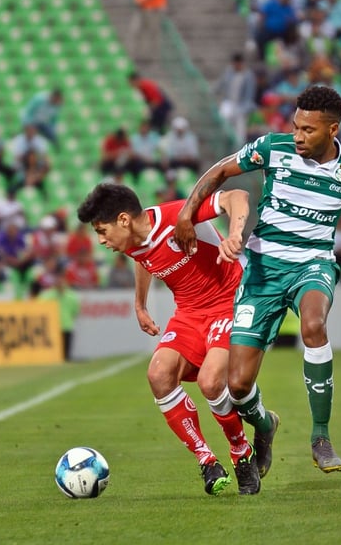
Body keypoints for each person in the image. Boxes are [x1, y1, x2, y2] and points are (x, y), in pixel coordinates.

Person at [173, 86, 341, 492]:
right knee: (237, 386)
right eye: (295, 127)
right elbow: (219, 172)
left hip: (313, 263)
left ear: (332, 130)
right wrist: (185, 214)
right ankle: (265, 426)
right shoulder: (273, 148)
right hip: (263, 268)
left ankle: (321, 436)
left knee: (314, 325)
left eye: (308, 129)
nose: (298, 135)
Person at [77, 182, 257, 495]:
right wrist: (140, 303)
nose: (102, 240)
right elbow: (142, 256)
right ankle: (206, 460)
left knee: (211, 382)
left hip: (228, 301)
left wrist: (234, 234)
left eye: (102, 231)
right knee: (158, 374)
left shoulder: (178, 217)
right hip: (188, 313)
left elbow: (237, 195)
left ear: (124, 220)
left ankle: (241, 453)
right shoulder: (131, 240)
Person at [38, 267, 81, 360]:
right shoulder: (46, 296)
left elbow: (75, 312)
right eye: (57, 279)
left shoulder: (71, 296)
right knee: (52, 357)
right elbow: (40, 311)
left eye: (61, 279)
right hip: (52, 329)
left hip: (66, 326)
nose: (59, 282)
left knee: (66, 356)